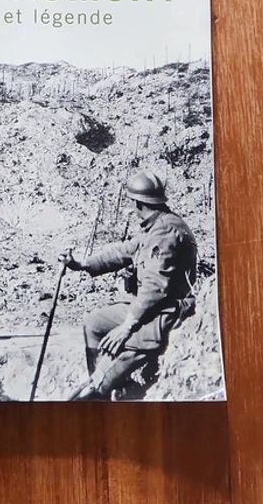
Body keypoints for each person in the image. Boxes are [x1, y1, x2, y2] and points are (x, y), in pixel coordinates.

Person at [63, 169, 197, 400]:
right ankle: (103, 385)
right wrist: (82, 264)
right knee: (94, 324)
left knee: (127, 349)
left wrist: (127, 325)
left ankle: (102, 389)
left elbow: (155, 287)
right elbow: (123, 252)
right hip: (148, 308)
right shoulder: (155, 226)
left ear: (138, 203)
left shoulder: (165, 232)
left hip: (166, 312)